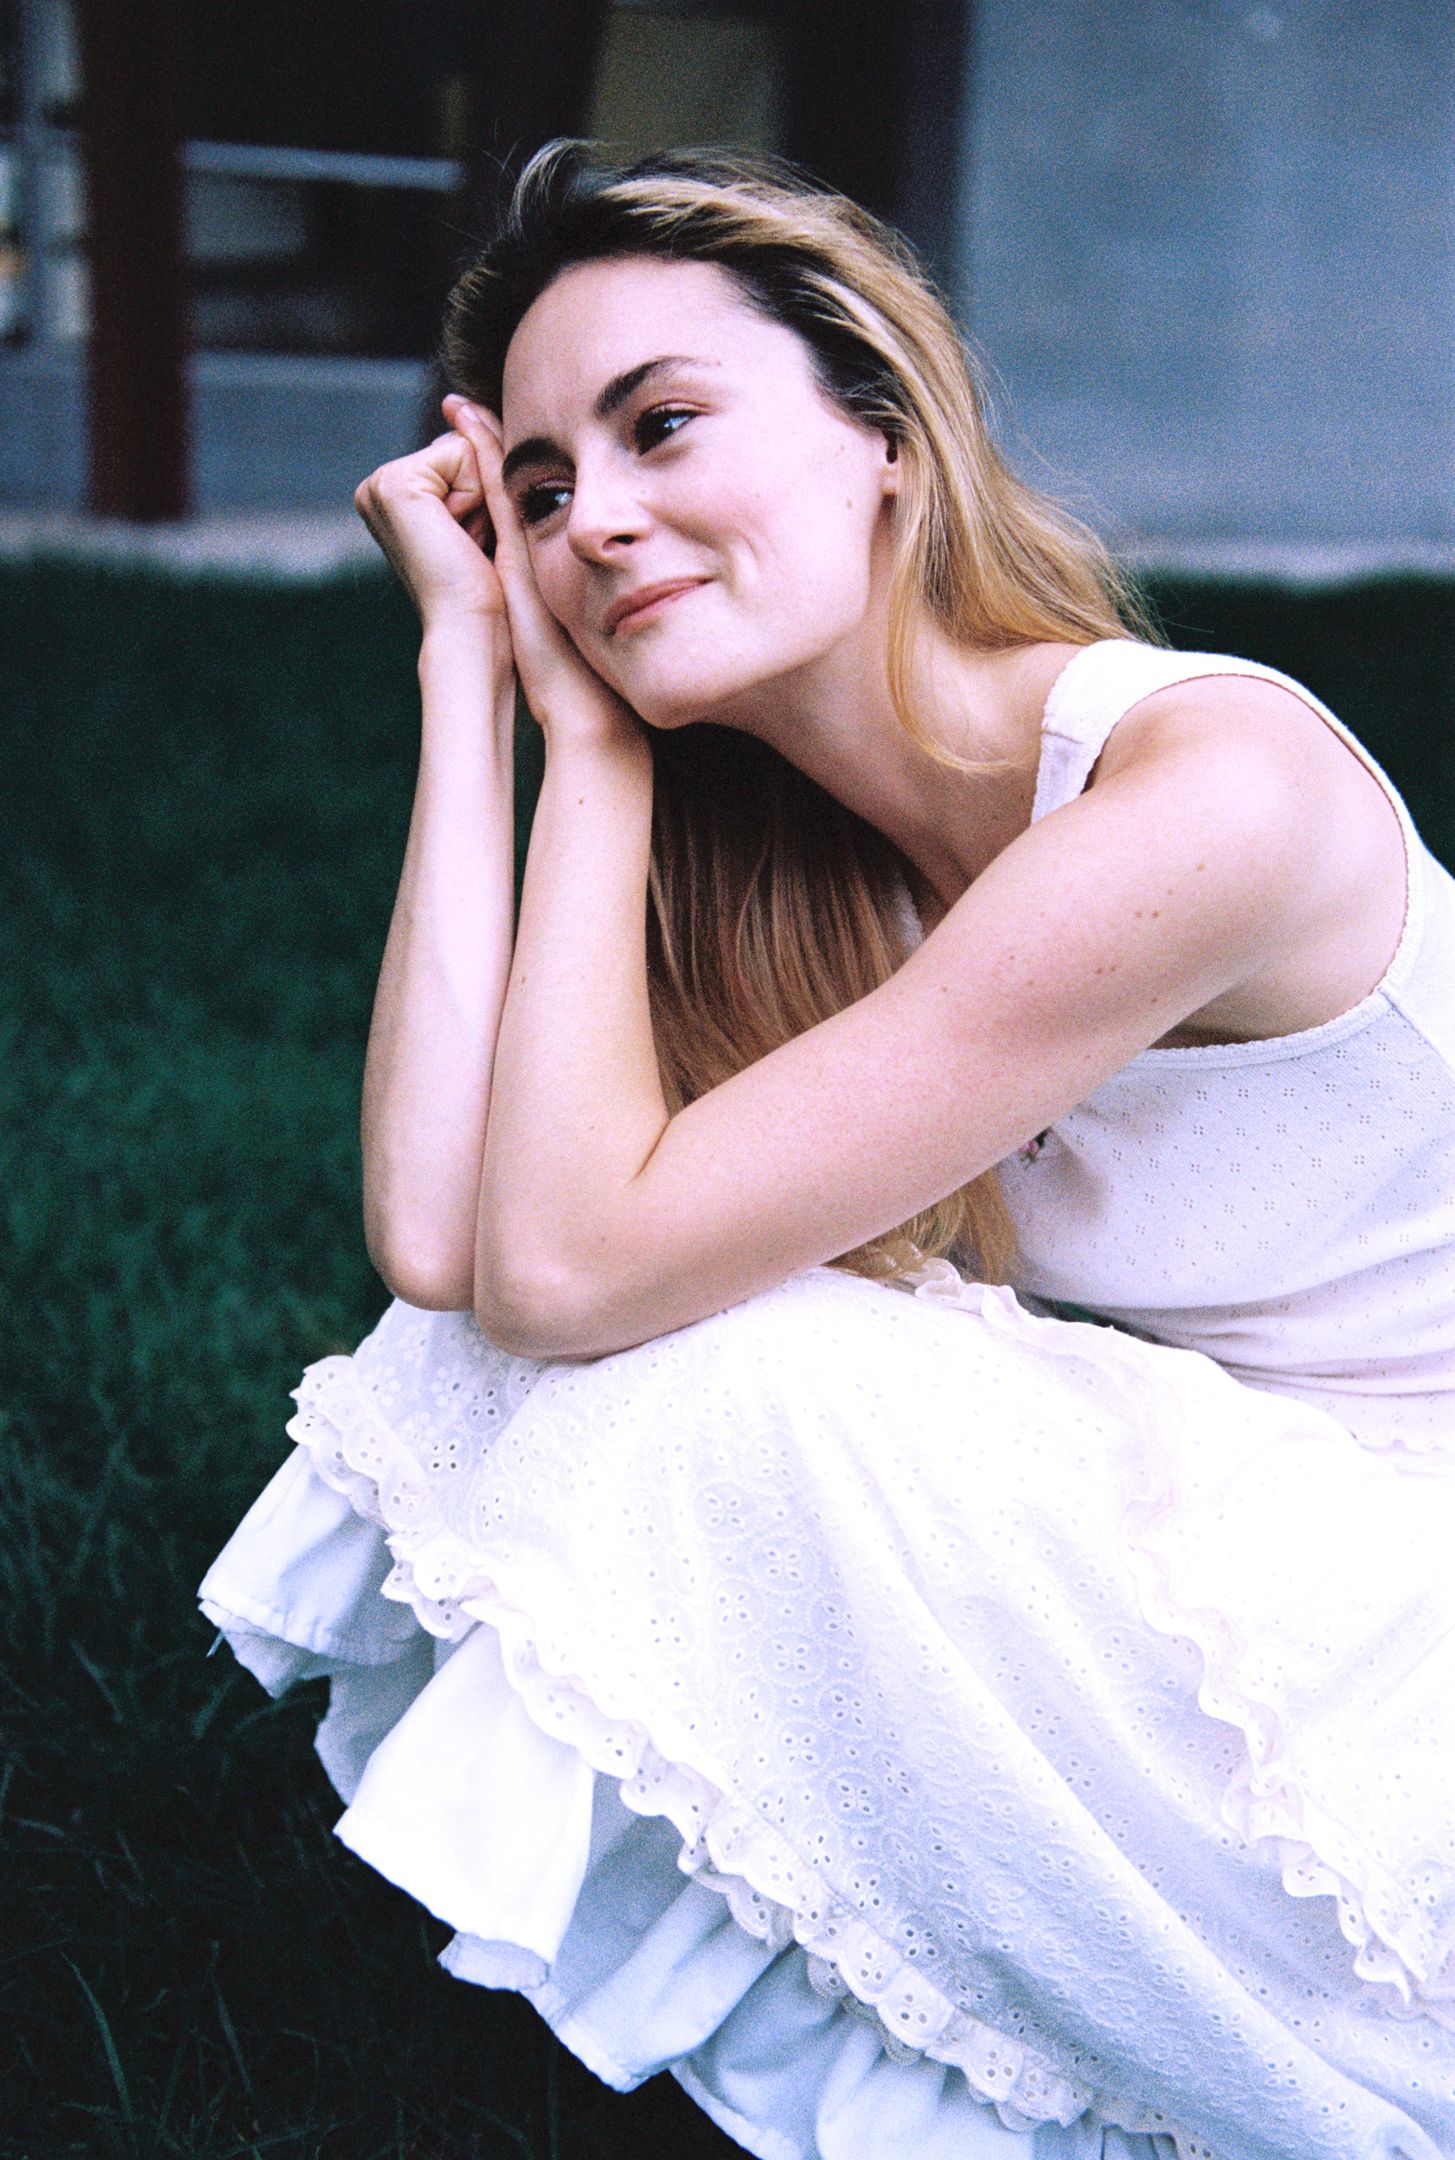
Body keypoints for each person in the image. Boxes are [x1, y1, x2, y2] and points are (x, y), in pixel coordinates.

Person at [200, 143, 1455, 2160]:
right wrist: (487, 685)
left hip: (1415, 1613)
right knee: (584, 1345)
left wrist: (585, 732)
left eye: (661, 425)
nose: (596, 522)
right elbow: (448, 1250)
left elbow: (558, 1271)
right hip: (1275, 1518)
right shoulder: (818, 869)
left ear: (879, 429)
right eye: (539, 492)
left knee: (745, 1375)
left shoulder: (1200, 792)